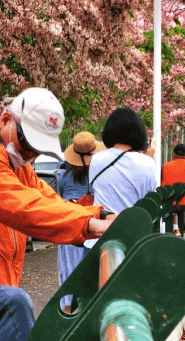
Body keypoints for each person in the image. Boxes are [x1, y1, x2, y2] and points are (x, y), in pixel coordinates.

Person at [0, 88, 113, 340]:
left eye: (38, 149)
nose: (32, 155)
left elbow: (47, 199)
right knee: (15, 304)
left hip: (6, 281)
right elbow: (24, 207)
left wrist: (100, 214)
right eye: (29, 144)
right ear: (6, 120)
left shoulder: (18, 166)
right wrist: (89, 223)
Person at [85, 107, 156, 251]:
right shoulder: (147, 163)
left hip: (98, 240)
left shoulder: (96, 160)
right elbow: (150, 200)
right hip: (133, 240)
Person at [56, 131, 105, 312]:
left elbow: (60, 201)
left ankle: (68, 315)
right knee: (90, 276)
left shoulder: (64, 177)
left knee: (68, 275)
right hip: (91, 229)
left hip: (69, 232)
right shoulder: (99, 175)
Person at [161, 143, 185, 237]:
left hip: (168, 200)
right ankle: (180, 239)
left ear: (174, 154)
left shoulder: (166, 166)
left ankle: (169, 239)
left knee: (167, 225)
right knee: (181, 223)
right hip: (184, 200)